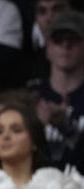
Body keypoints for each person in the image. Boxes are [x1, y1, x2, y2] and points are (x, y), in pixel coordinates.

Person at [26, 10, 84, 171]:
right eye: (59, 40)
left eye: (73, 40)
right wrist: (37, 125)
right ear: (48, 47)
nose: (66, 46)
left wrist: (66, 128)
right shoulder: (30, 95)